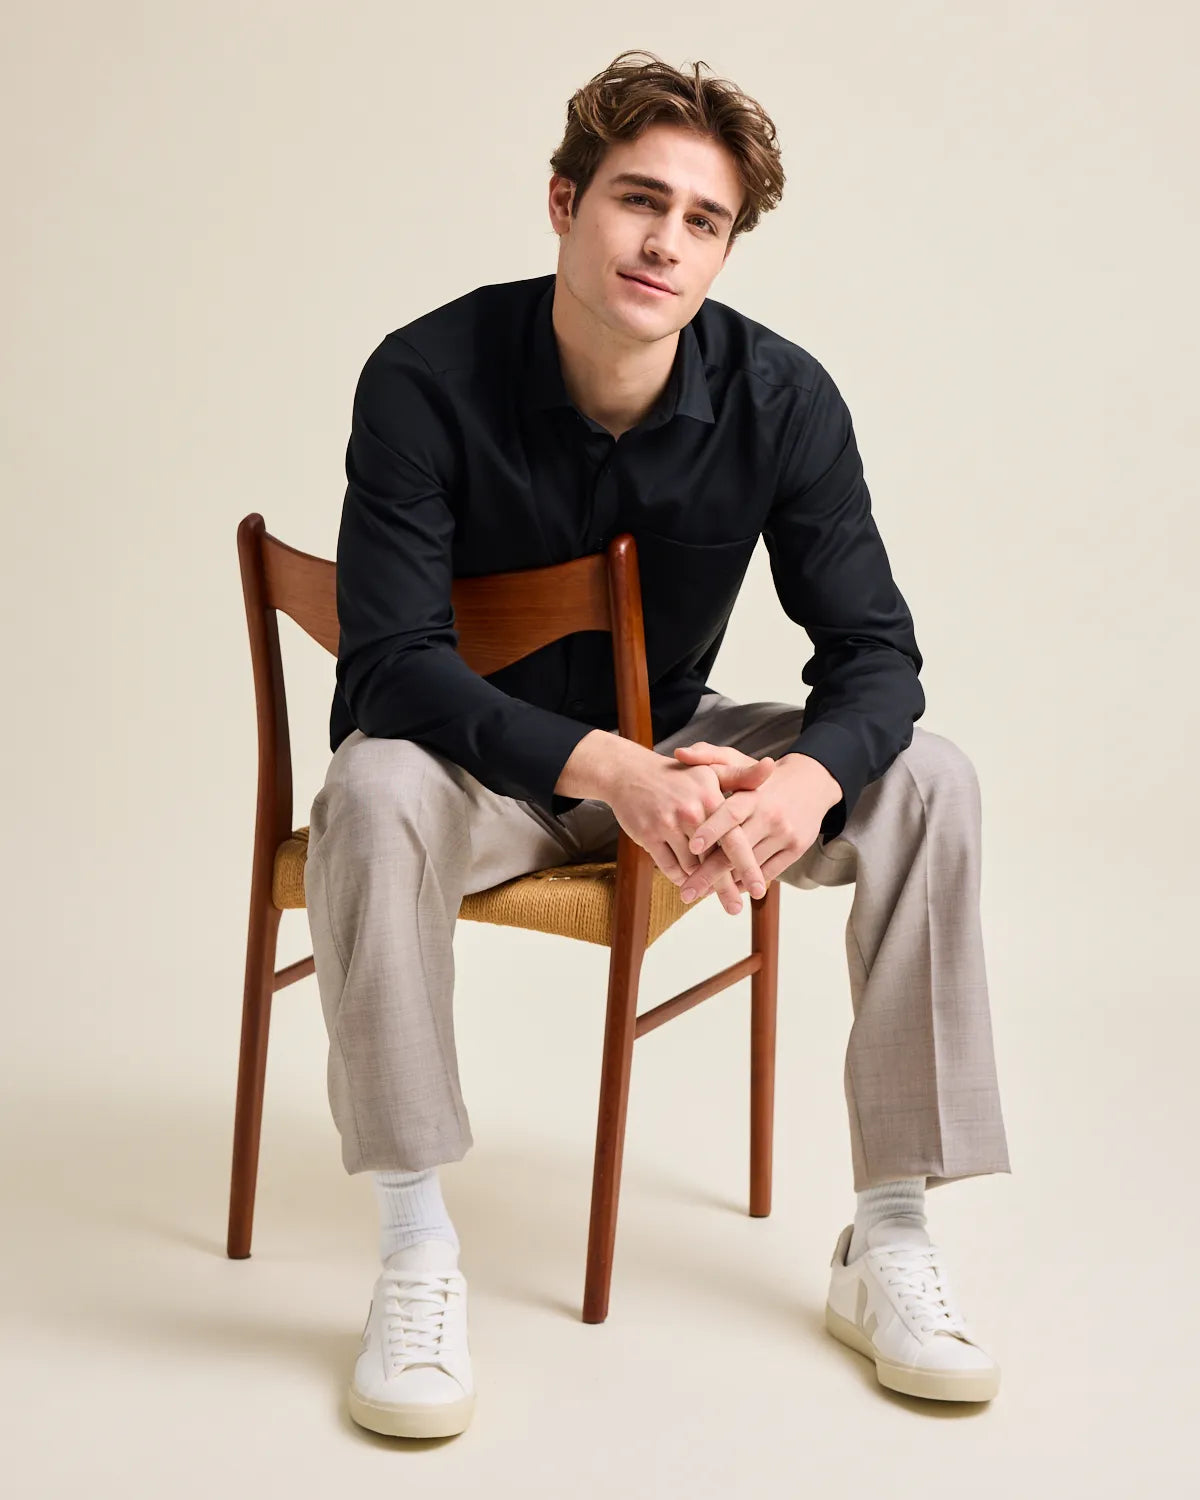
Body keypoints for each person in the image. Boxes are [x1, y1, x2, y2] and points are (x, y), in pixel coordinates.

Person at [304, 49, 1011, 1440]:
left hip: (679, 741)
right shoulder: (422, 377)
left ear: (725, 250)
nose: (665, 241)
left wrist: (799, 781)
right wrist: (612, 773)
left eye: (704, 221)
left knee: (926, 774)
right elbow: (389, 667)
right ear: (565, 204)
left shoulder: (782, 399)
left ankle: (887, 1238)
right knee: (369, 783)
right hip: (474, 773)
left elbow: (876, 658)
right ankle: (412, 1247)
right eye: (639, 201)